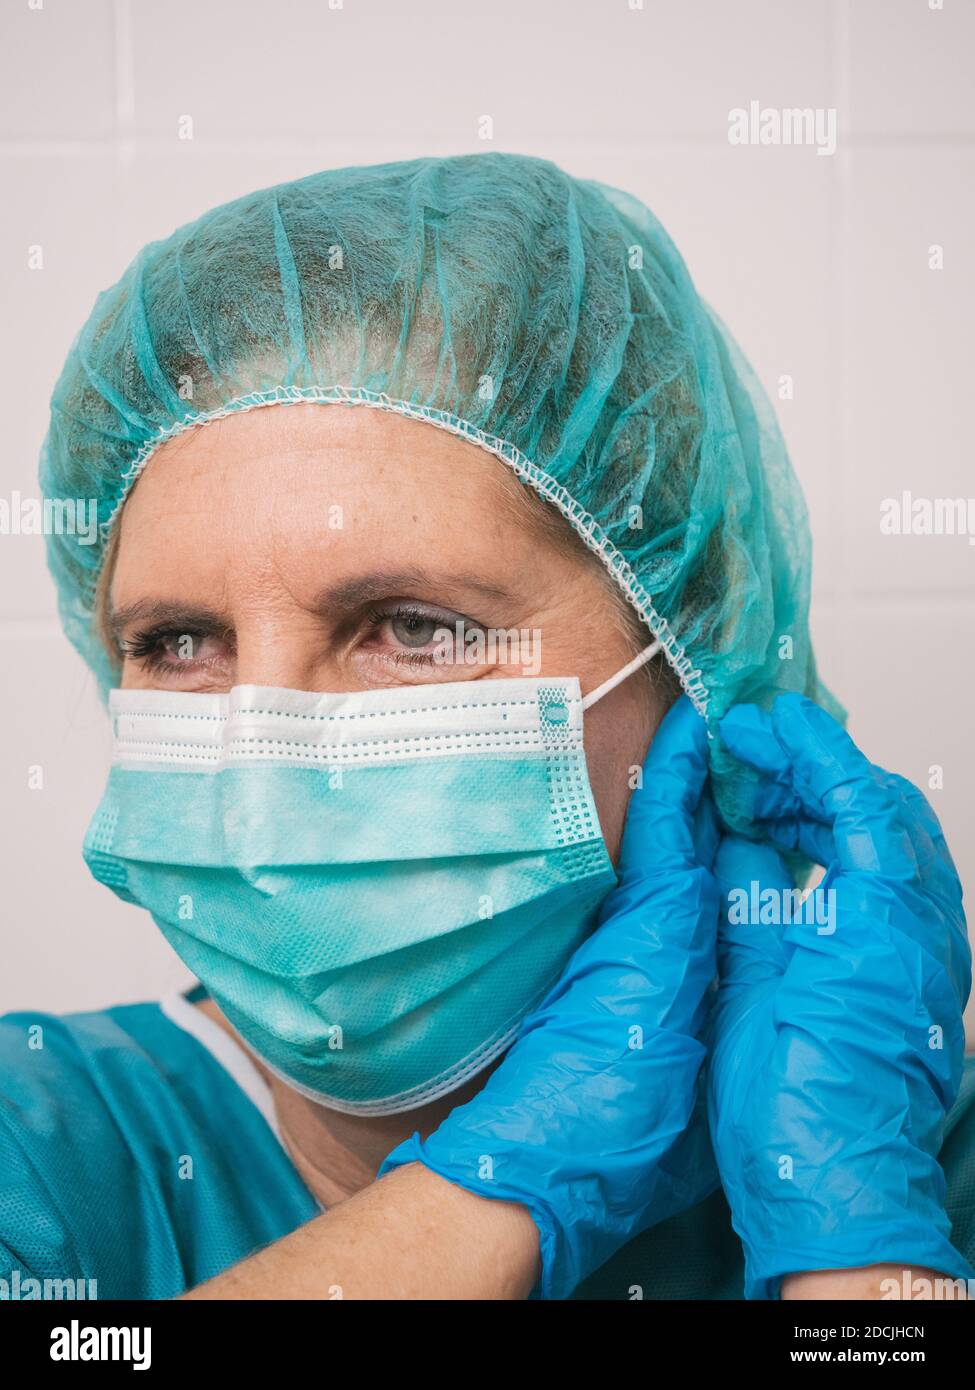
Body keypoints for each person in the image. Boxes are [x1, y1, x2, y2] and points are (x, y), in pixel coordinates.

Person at [4, 154, 972, 1301]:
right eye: (175, 641)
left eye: (412, 626)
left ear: (692, 665)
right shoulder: (42, 1151)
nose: (253, 778)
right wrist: (503, 1184)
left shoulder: (889, 1154)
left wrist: (860, 1260)